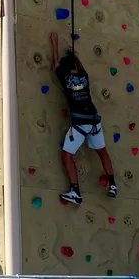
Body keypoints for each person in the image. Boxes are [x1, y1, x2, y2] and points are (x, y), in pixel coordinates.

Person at [49, 33, 116, 204]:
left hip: (80, 124)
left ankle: (75, 191)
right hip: (94, 122)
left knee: (67, 156)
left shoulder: (65, 79)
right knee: (102, 152)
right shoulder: (84, 78)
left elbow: (55, 63)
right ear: (76, 68)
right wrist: (76, 56)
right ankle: (113, 185)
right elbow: (81, 68)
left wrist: (54, 42)